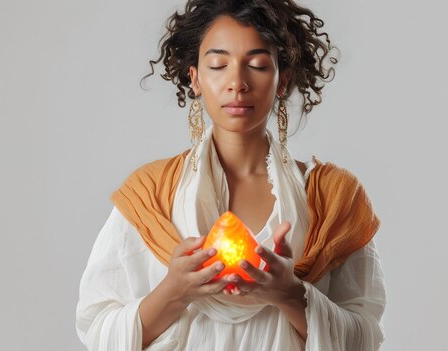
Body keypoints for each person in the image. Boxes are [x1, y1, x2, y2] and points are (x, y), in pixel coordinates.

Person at [75, 1, 386, 350]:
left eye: (256, 64)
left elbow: (366, 338)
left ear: (283, 79)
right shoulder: (150, 195)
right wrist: (173, 292)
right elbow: (97, 330)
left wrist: (290, 294)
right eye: (218, 64)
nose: (237, 83)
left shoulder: (334, 198)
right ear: (195, 78)